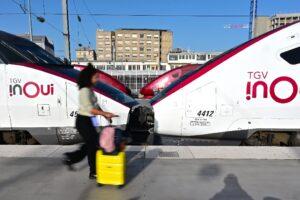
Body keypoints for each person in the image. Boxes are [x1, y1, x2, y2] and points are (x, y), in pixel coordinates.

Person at [63, 65, 118, 179]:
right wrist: (105, 114)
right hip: (83, 121)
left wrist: (105, 115)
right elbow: (89, 109)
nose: (98, 79)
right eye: (96, 77)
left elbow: (95, 105)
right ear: (89, 78)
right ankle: (93, 172)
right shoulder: (84, 91)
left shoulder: (90, 90)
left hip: (89, 120)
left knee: (91, 144)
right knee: (93, 145)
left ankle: (71, 158)